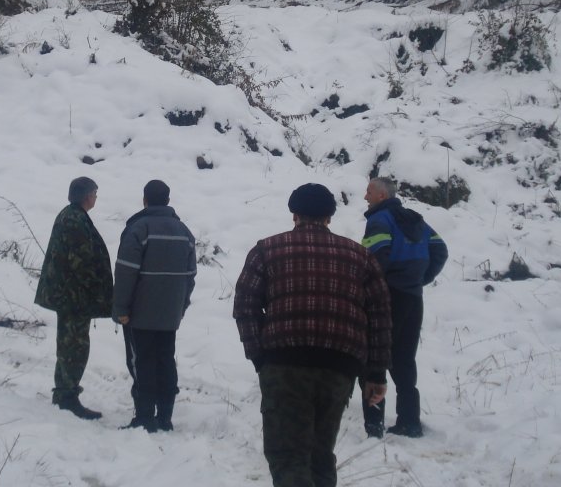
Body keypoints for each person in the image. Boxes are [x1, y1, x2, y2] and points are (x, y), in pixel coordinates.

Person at [234, 183, 392, 487]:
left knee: (288, 456)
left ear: (294, 214)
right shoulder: (360, 256)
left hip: (283, 365)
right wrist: (376, 373)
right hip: (340, 367)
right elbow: (380, 316)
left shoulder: (267, 250)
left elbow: (245, 305)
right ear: (329, 217)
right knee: (320, 455)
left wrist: (260, 357)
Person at [359, 177, 448, 438]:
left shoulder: (379, 220)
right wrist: (419, 279)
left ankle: (374, 424)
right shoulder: (416, 220)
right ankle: (410, 422)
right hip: (413, 297)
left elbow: (374, 261)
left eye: (368, 192)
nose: (365, 197)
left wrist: (373, 290)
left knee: (374, 356)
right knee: (404, 359)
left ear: (381, 196)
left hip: (387, 298)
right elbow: (440, 250)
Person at [113, 179, 197, 432]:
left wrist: (121, 309)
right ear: (168, 201)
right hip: (170, 314)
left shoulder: (139, 228)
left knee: (143, 362)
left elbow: (126, 272)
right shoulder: (184, 232)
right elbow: (190, 275)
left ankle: (145, 418)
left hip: (140, 313)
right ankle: (165, 417)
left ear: (145, 200)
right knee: (166, 361)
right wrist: (181, 306)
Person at [34, 176, 114, 420]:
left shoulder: (71, 215)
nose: (96, 197)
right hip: (73, 298)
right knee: (74, 347)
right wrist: (97, 289)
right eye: (95, 193)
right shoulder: (75, 220)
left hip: (70, 296)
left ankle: (65, 393)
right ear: (87, 196)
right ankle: (67, 397)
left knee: (69, 344)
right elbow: (81, 262)